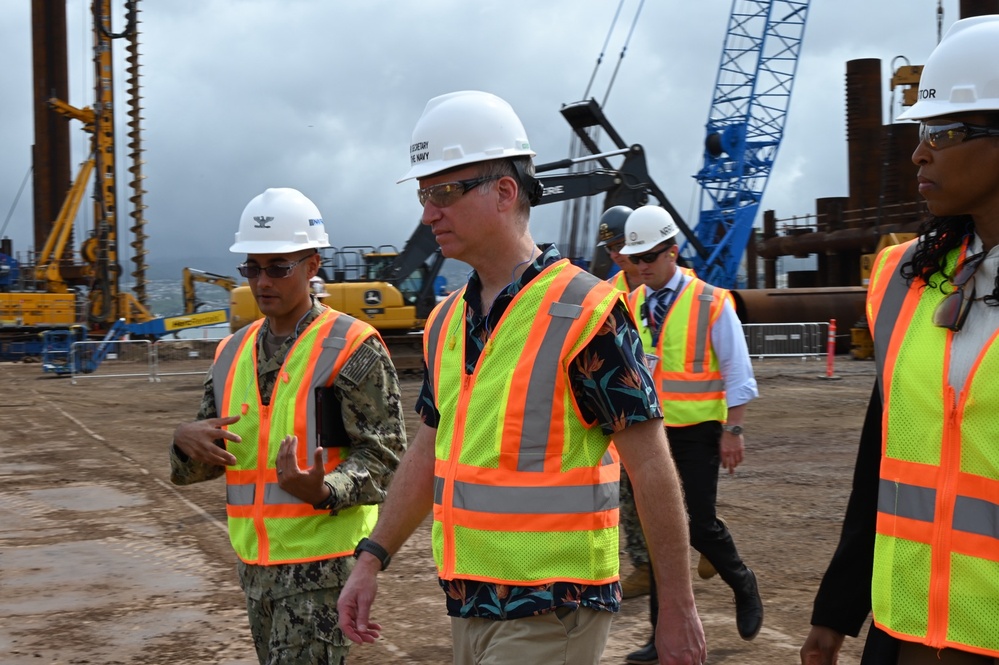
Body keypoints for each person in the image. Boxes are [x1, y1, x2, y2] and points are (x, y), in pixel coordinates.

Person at [337, 90, 706, 665]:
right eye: (423, 195)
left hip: (555, 605)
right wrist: (372, 556)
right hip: (470, 602)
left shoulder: (585, 312)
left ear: (505, 191)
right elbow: (432, 447)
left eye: (442, 193)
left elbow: (652, 464)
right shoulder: (446, 323)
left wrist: (678, 608)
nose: (428, 212)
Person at [800, 16, 999, 665]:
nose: (918, 152)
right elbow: (881, 460)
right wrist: (835, 611)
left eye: (940, 131)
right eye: (919, 131)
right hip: (902, 631)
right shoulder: (901, 279)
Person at [169, 187, 407, 665]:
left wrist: (325, 489)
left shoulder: (352, 345)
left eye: (278, 267)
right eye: (252, 268)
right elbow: (205, 464)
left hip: (321, 569)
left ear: (312, 265)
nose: (262, 281)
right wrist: (183, 443)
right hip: (255, 567)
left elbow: (384, 457)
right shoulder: (230, 352)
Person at [619, 204, 762, 664]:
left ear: (673, 252)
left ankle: (741, 580)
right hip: (650, 434)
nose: (641, 266)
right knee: (663, 532)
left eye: (651, 257)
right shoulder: (632, 303)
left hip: (700, 431)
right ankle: (660, 637)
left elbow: (739, 373)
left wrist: (733, 430)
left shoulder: (711, 302)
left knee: (698, 524)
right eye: (635, 258)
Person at [596, 204, 653, 600]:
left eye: (619, 243)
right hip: (629, 406)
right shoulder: (609, 292)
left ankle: (712, 543)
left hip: (685, 411)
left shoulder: (674, 287)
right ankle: (646, 566)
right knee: (630, 491)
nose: (615, 253)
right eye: (609, 246)